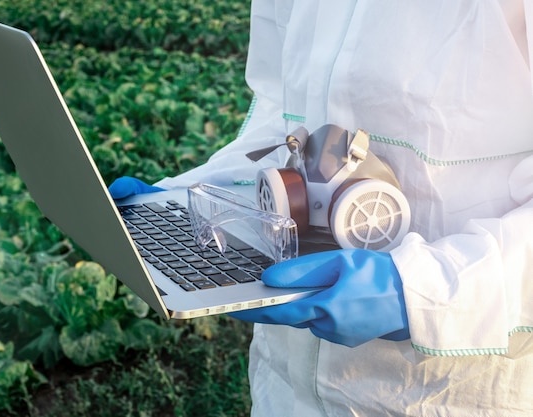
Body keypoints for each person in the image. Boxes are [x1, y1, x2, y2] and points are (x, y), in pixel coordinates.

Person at [110, 1, 533, 415]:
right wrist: (191, 197)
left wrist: (420, 291)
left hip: (447, 391)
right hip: (285, 387)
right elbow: (282, 124)